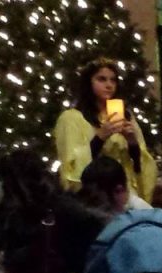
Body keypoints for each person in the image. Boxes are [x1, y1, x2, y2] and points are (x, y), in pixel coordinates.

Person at [53, 57, 156, 206]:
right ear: (89, 83)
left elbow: (141, 166)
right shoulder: (71, 118)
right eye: (102, 79)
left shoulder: (126, 117)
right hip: (93, 196)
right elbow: (71, 166)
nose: (109, 85)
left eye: (113, 80)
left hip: (123, 194)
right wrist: (100, 137)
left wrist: (132, 143)